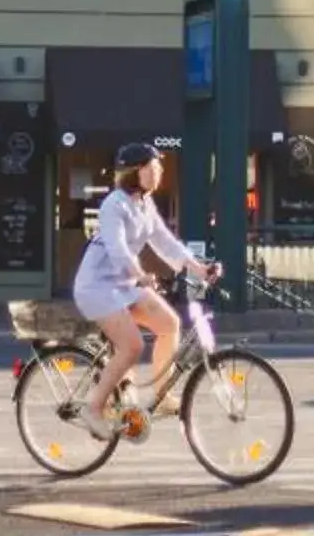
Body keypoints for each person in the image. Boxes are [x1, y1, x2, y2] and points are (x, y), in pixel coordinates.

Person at [71, 143, 218, 439]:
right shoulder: (114, 204)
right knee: (133, 346)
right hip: (97, 287)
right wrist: (139, 275)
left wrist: (198, 268)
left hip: (124, 284)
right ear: (134, 172)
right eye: (152, 167)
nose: (158, 172)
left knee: (169, 323)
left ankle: (161, 396)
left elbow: (165, 242)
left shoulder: (144, 204)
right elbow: (118, 249)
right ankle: (93, 408)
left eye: (158, 167)